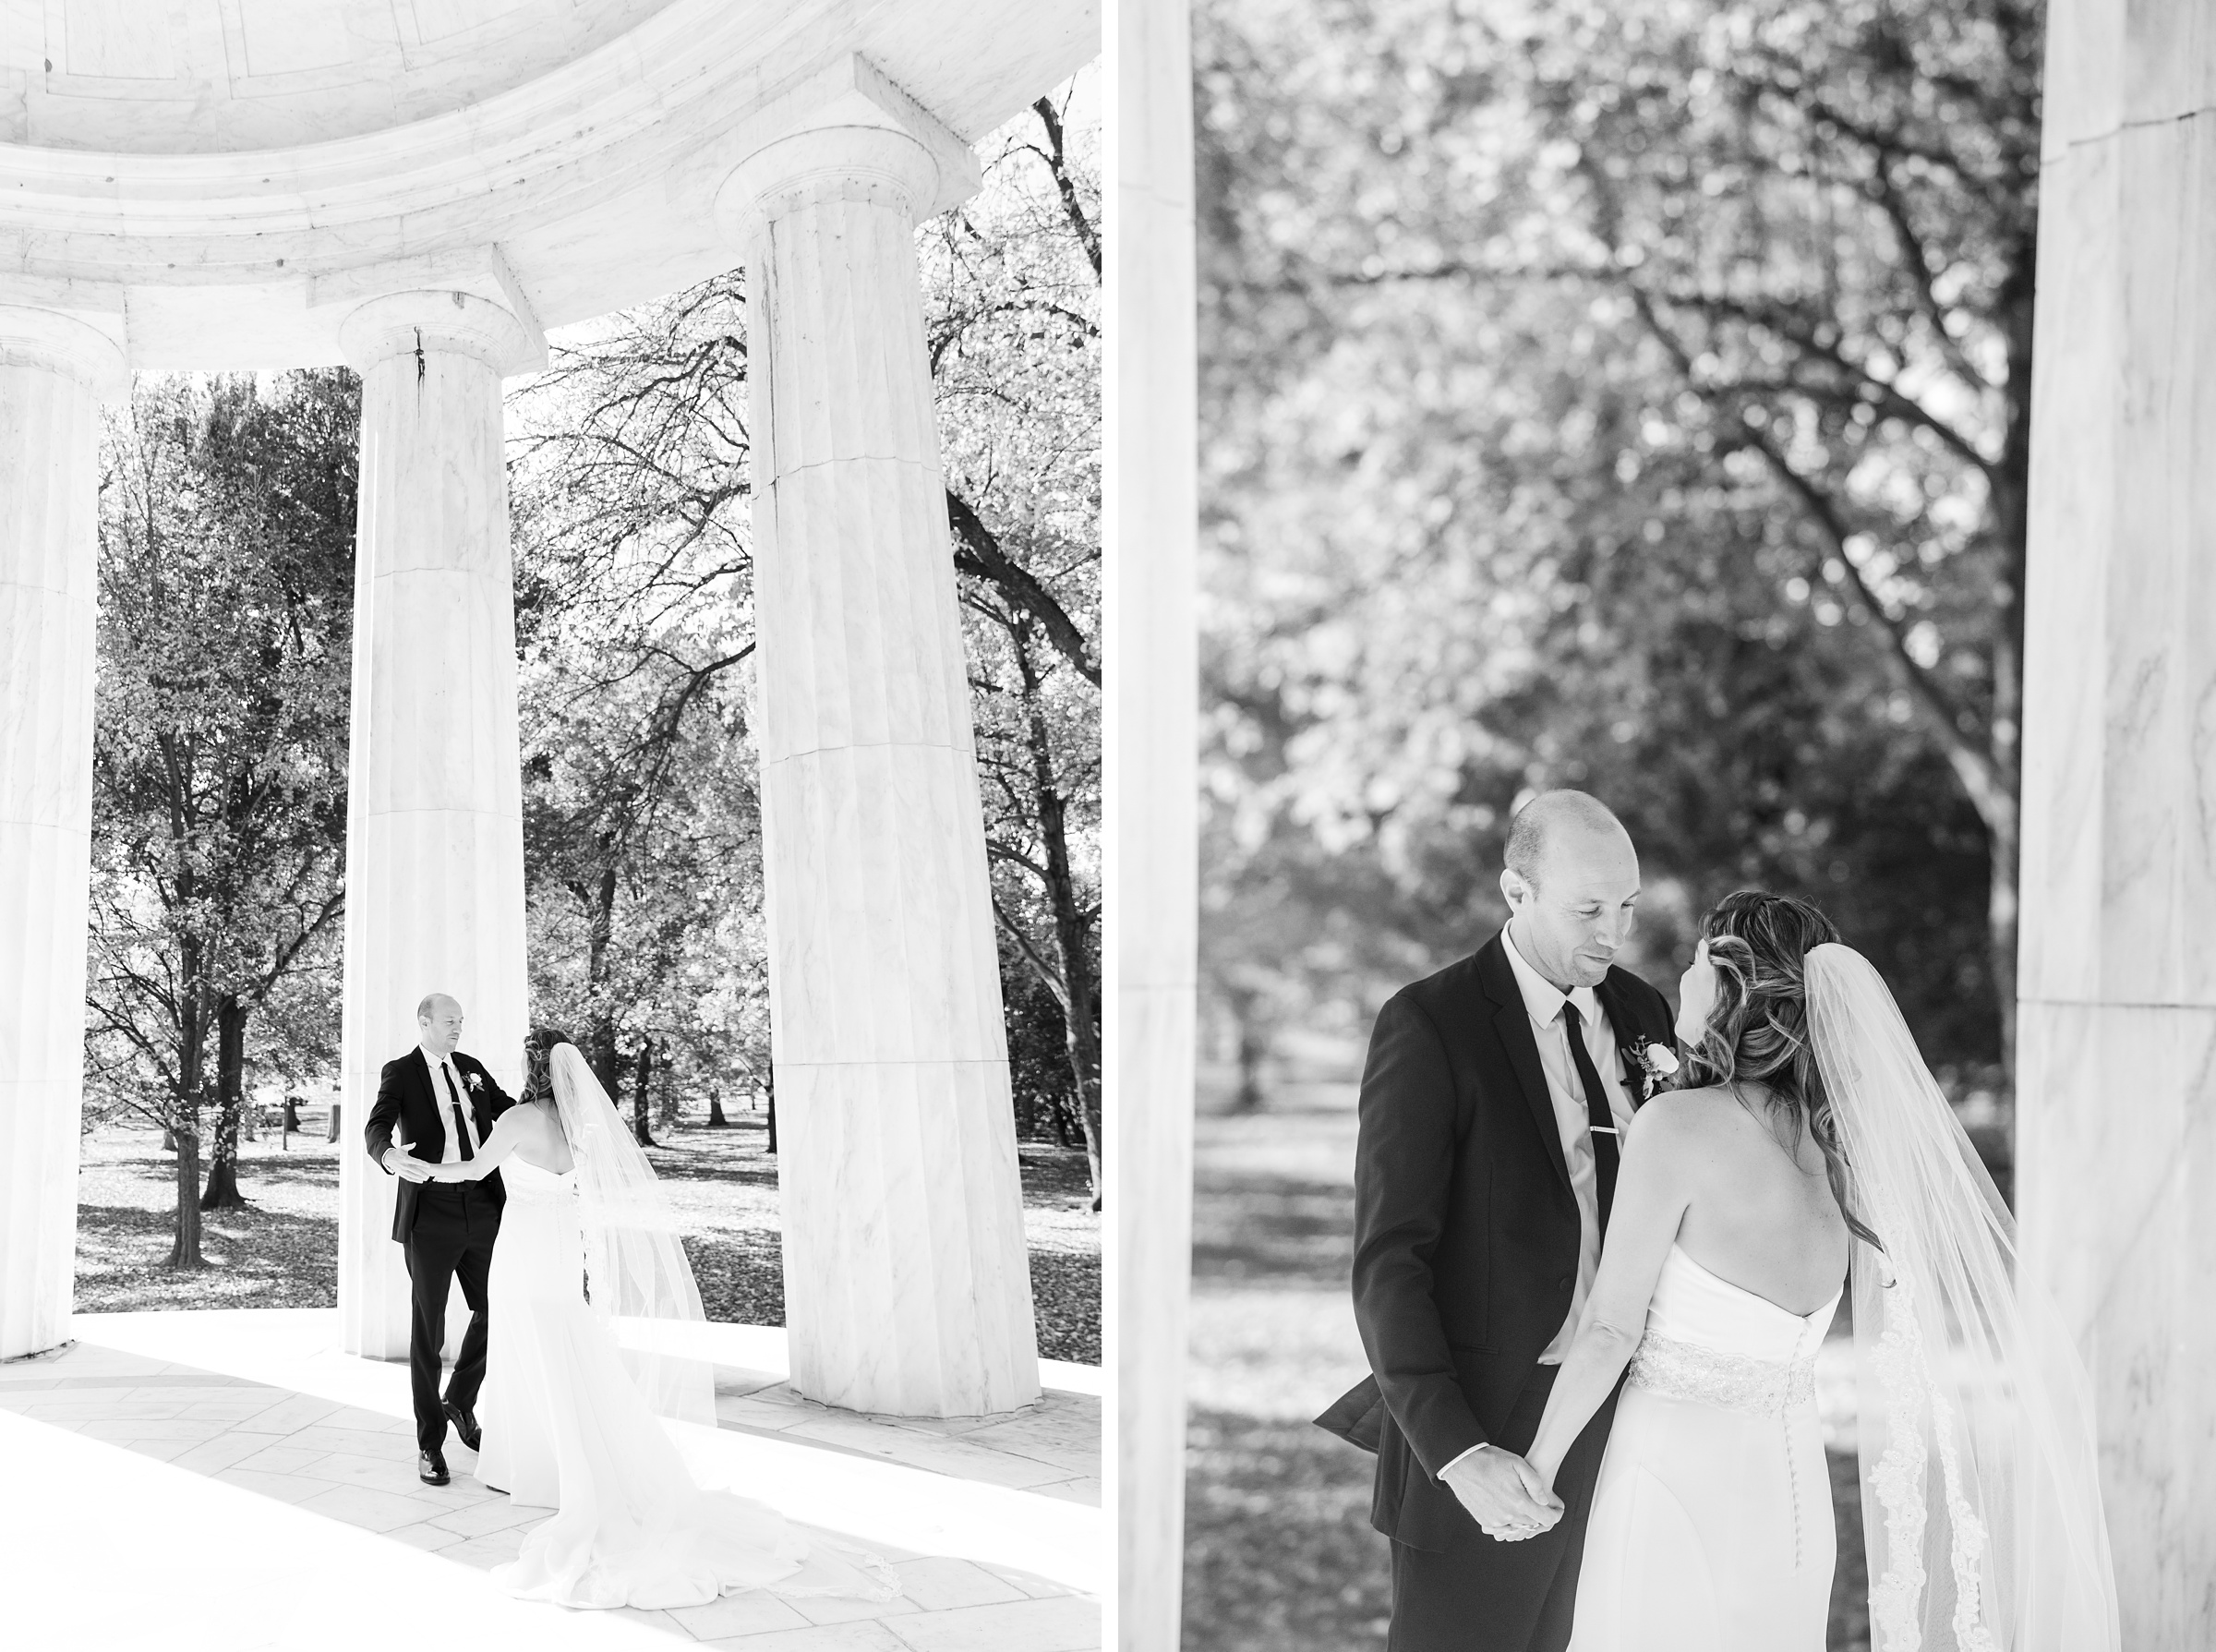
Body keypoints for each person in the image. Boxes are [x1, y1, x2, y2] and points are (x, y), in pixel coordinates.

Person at [1514, 890, 2120, 1651]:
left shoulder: (1678, 1126)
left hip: (1672, 1472)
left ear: (1735, 986)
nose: (1685, 982)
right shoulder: (1840, 1151)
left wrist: (1536, 1467)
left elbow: (1607, 1328)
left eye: (1700, 964)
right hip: (1789, 1488)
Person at [1315, 790, 1678, 1652]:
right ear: (1516, 893)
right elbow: (1389, 1264)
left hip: (1631, 1418)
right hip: (1488, 1433)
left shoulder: (1645, 1015)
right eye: (1588, 909)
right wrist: (1459, 1455)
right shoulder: (1430, 1024)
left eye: (1625, 906)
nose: (1613, 933)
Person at [394, 1027, 900, 1611]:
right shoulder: (580, 1127)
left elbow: (470, 1171)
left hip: (523, 1251)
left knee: (525, 1348)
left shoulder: (514, 1121)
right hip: (561, 1251)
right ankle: (557, 1458)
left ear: (532, 1068)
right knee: (566, 1346)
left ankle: (536, 1466)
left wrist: (417, 1168)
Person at [363, 992, 518, 1487]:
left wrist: (553, 1113)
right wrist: (390, 1156)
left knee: (498, 1310)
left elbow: (509, 1110)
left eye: (461, 1021)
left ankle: (460, 1400)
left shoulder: (471, 1066)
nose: (458, 1028)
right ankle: (430, 1442)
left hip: (485, 1205)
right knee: (427, 1331)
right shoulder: (401, 1071)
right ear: (424, 1022)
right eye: (450, 1021)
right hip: (430, 1212)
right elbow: (376, 1125)